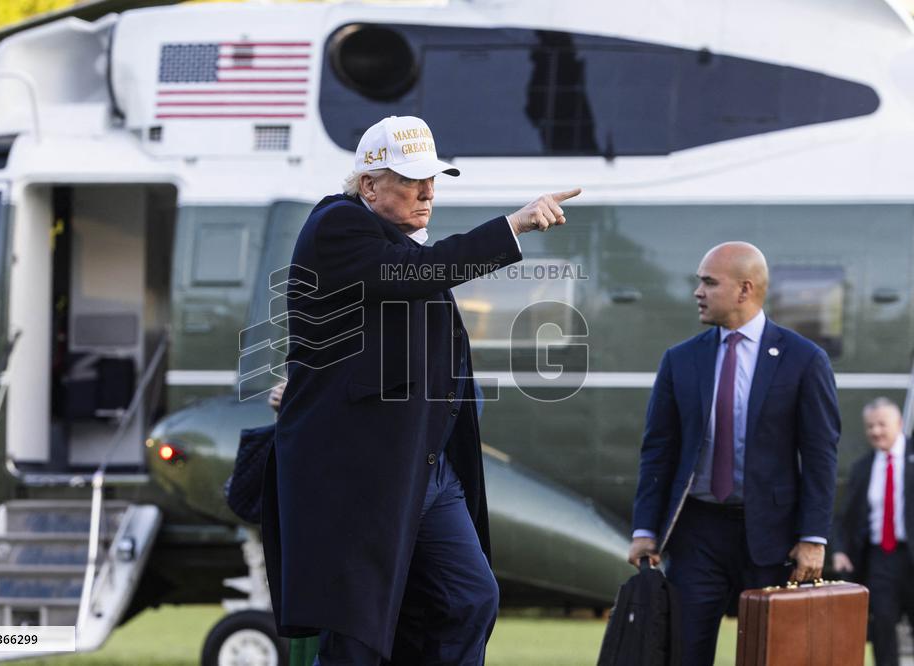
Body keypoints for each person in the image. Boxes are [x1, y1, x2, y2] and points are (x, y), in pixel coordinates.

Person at [261, 114, 580, 666]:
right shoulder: (338, 224)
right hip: (363, 471)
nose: (427, 191)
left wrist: (312, 376)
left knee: (469, 599)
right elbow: (418, 274)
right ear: (368, 185)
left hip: (424, 466)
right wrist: (515, 225)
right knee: (357, 634)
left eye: (432, 178)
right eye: (411, 179)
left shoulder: (397, 245)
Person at [628, 241, 840, 666]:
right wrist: (645, 529)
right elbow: (658, 452)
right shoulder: (679, 361)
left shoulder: (804, 360)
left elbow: (820, 456)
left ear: (745, 290)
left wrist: (812, 538)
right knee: (683, 653)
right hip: (697, 534)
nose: (697, 292)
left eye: (709, 282)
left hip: (772, 537)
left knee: (769, 655)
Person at [834, 398, 914, 666]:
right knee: (882, 625)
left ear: (899, 424)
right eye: (870, 426)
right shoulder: (862, 468)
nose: (875, 431)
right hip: (881, 559)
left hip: (911, 554)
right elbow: (846, 516)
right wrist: (841, 550)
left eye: (882, 424)